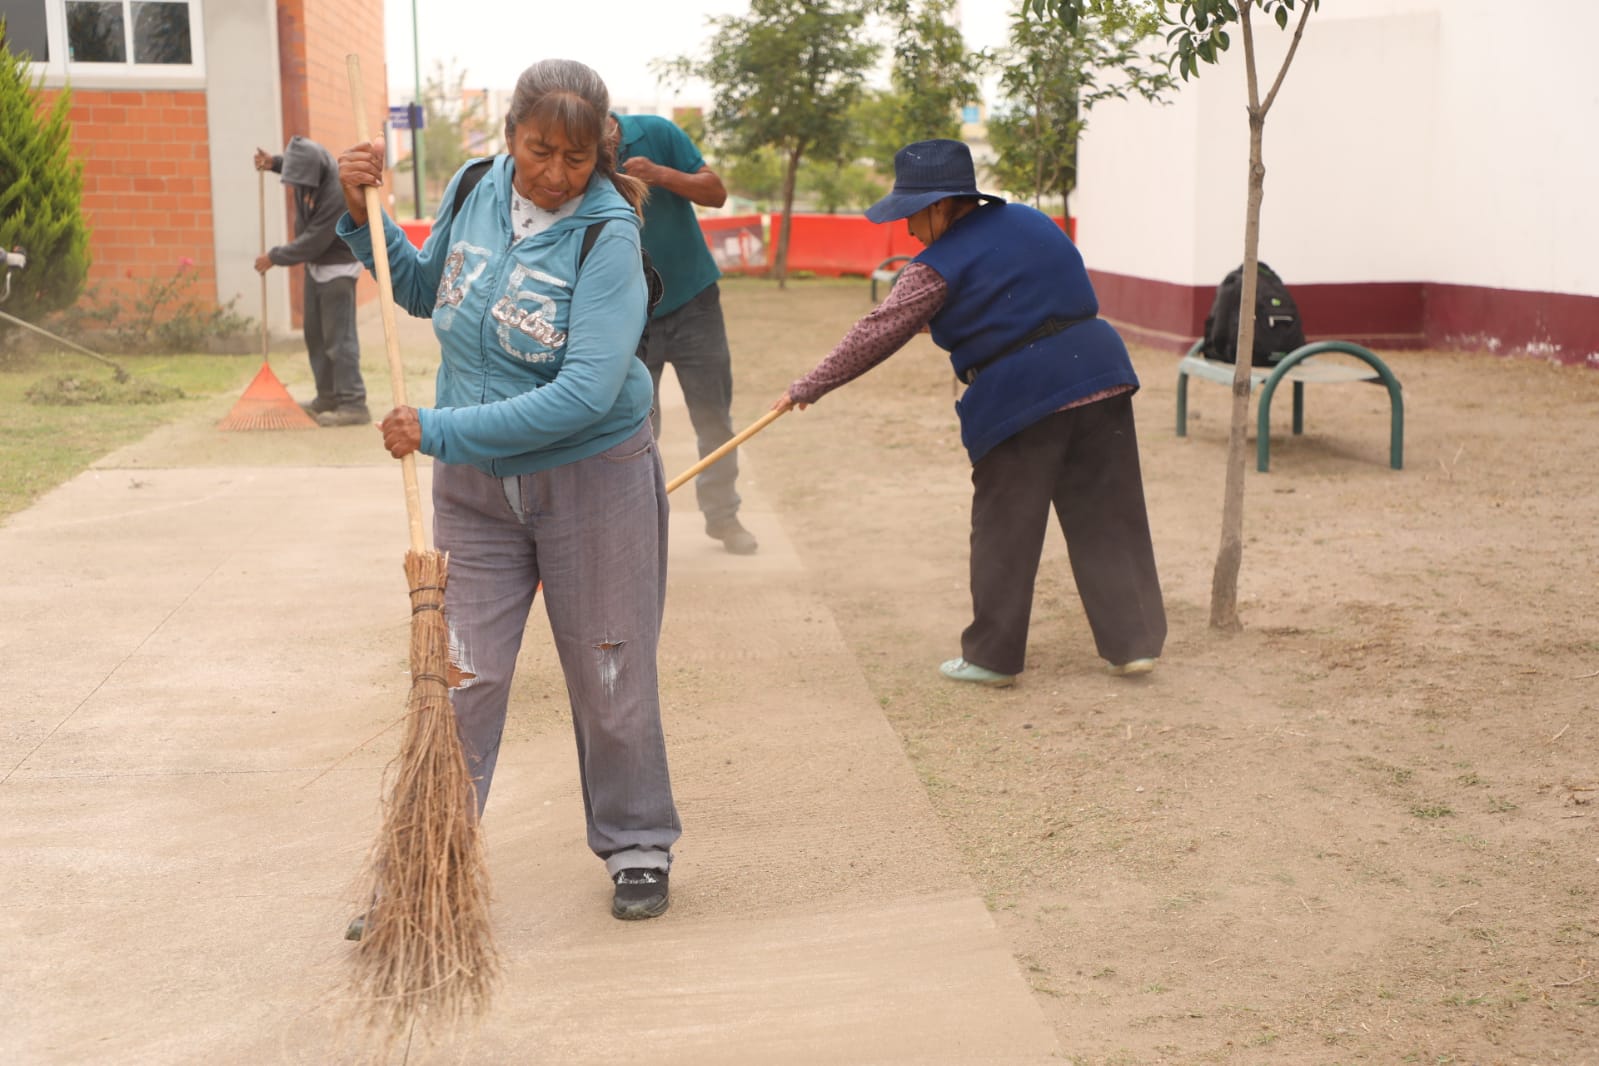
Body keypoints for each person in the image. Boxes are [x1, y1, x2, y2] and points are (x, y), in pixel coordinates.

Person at [334, 59, 681, 922]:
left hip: (592, 478)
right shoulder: (472, 184)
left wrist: (437, 429)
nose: (555, 175)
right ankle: (425, 867)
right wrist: (359, 213)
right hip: (476, 493)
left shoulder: (609, 239)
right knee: (458, 677)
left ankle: (637, 843)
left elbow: (583, 395)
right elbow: (421, 290)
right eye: (537, 151)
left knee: (608, 668)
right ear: (509, 137)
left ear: (599, 150)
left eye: (574, 157)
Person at [773, 139, 1167, 688]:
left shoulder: (934, 266)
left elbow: (879, 331)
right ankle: (1133, 645)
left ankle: (992, 658)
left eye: (913, 215)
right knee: (1109, 516)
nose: (910, 230)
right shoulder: (1035, 221)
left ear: (941, 205)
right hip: (1101, 375)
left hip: (1023, 394)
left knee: (1006, 526)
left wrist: (809, 386)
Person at [607, 111, 757, 555]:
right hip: (632, 315)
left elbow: (716, 193)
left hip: (695, 302)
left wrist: (661, 174)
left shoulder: (656, 132)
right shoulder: (579, 158)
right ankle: (639, 526)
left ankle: (724, 517)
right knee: (637, 427)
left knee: (714, 419)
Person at [253, 136, 370, 427]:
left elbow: (314, 242)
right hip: (316, 268)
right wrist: (274, 164)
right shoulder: (310, 173)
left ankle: (353, 403)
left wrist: (274, 256)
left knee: (339, 340)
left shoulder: (336, 192)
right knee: (315, 335)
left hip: (338, 269)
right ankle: (327, 397)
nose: (298, 185)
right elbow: (297, 169)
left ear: (319, 172)